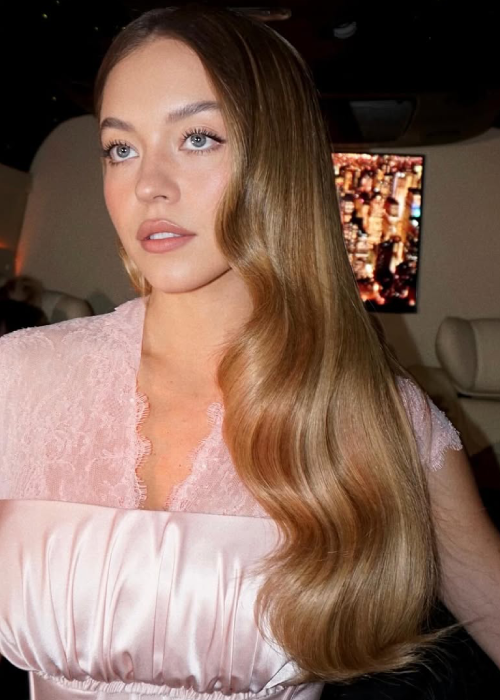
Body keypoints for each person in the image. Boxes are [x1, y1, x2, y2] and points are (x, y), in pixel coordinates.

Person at [0, 5, 499, 700]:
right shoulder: (19, 376)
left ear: (278, 161)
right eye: (121, 148)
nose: (148, 184)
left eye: (198, 138)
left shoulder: (375, 413)